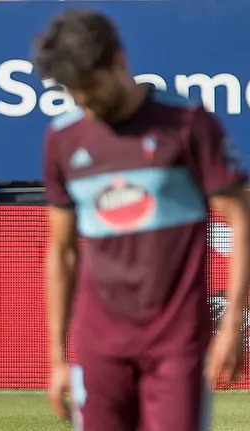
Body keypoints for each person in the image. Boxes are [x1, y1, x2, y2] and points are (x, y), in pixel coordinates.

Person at [34, 8, 250, 431]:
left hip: (177, 343)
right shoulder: (62, 138)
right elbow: (61, 252)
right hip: (99, 345)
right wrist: (59, 359)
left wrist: (231, 326)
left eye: (90, 88)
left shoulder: (188, 124)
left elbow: (241, 223)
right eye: (74, 91)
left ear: (119, 61)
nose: (84, 101)